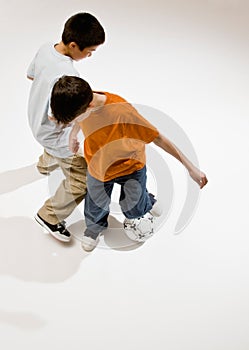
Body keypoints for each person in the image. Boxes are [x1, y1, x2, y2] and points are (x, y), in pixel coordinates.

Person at [49, 75, 208, 251]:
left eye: (75, 119)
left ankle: (147, 201)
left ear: (90, 107)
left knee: (134, 210)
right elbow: (79, 120)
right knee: (95, 205)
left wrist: (191, 168)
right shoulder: (81, 98)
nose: (75, 123)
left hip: (130, 166)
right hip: (98, 167)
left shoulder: (123, 112)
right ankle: (94, 230)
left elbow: (159, 138)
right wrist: (73, 135)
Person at [27, 13, 105, 242]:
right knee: (81, 178)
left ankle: (45, 164)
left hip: (33, 119)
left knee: (49, 141)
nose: (90, 55)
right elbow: (56, 118)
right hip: (51, 132)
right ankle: (49, 216)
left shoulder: (45, 49)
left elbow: (30, 76)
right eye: (89, 51)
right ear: (74, 45)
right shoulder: (69, 74)